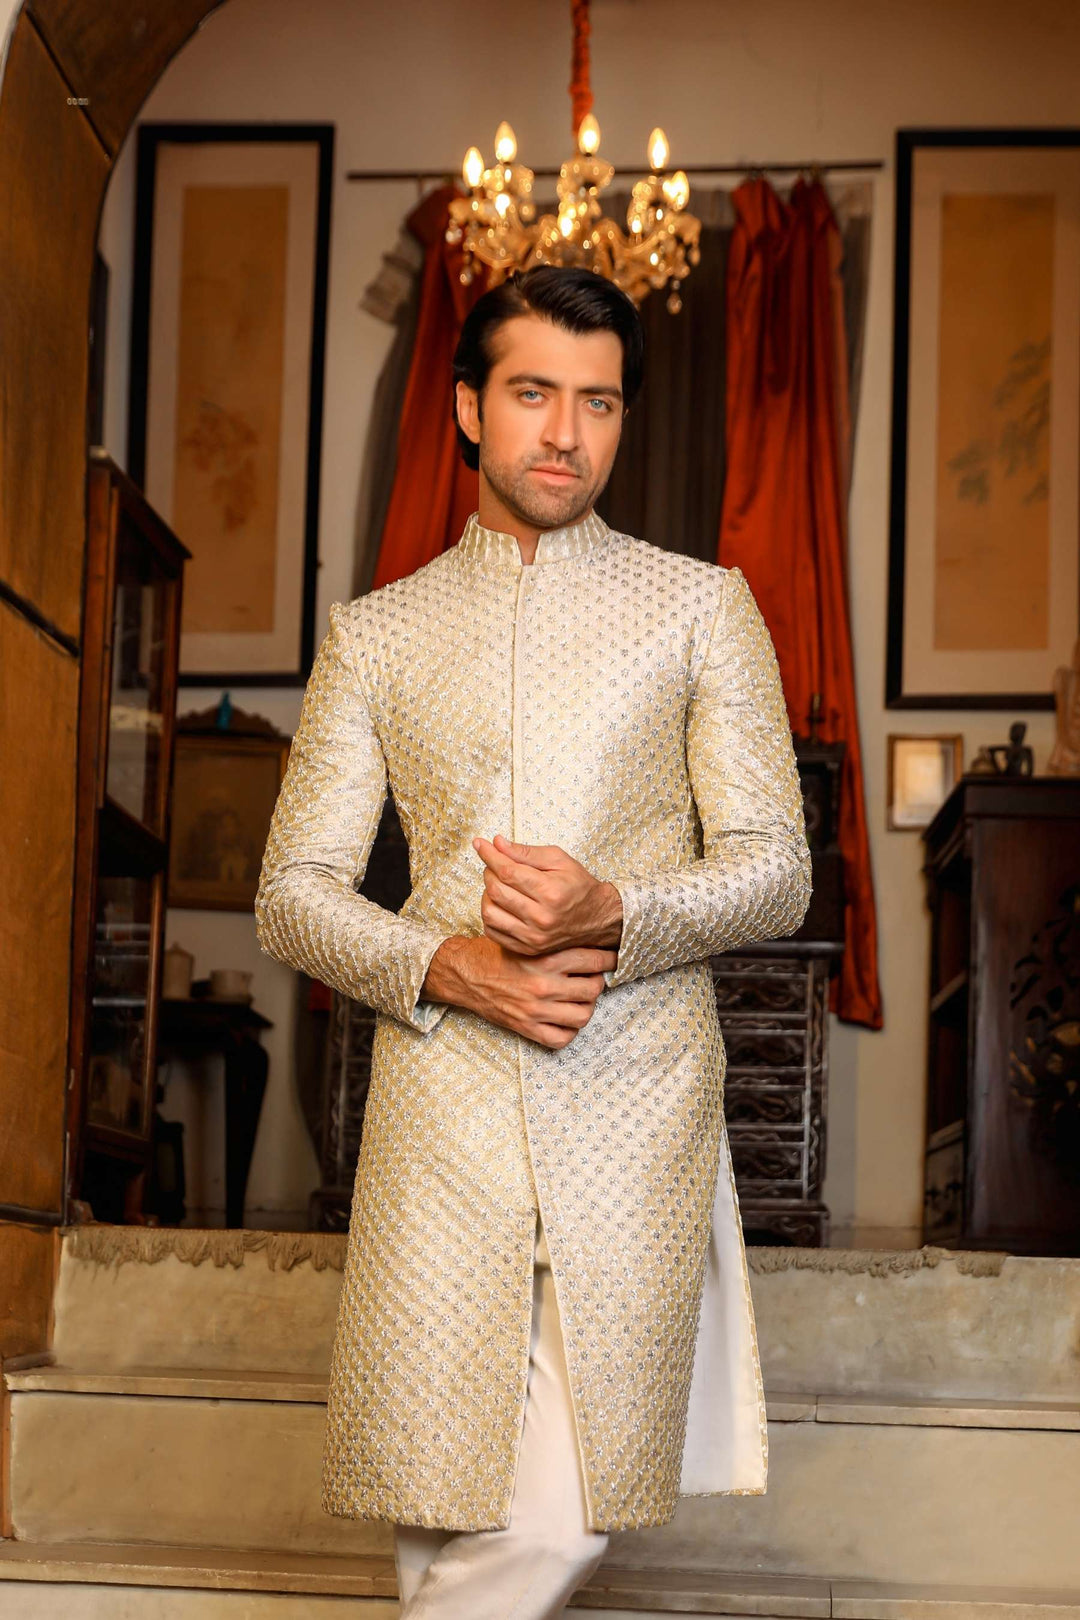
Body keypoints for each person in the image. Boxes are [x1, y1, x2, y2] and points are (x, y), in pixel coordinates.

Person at [254, 264, 812, 1618]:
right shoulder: (377, 635)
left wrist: (611, 909)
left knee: (556, 1522)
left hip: (633, 1101)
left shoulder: (700, 606)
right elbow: (292, 891)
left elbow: (777, 874)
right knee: (437, 1510)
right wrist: (452, 966)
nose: (567, 433)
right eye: (533, 394)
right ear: (467, 407)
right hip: (440, 1114)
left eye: (599, 402)